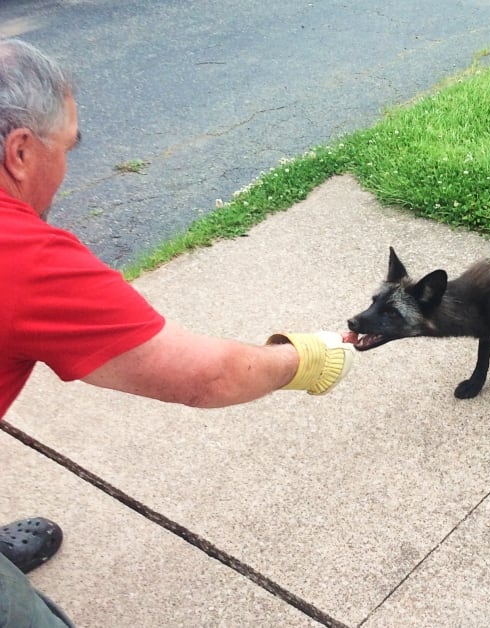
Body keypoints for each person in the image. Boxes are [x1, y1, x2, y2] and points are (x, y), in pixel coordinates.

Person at [0, 38, 355, 627]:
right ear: (19, 151)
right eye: (66, 149)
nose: (66, 167)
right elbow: (205, 377)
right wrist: (307, 358)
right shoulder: (22, 258)